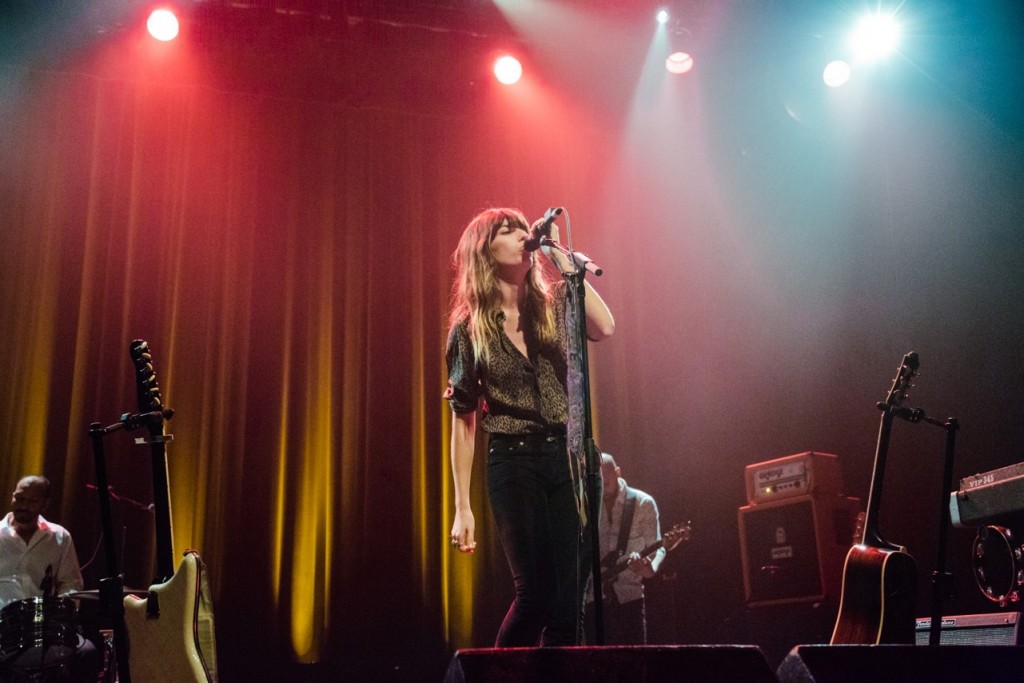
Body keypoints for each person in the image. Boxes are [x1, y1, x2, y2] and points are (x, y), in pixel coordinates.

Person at [445, 207, 615, 647]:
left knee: (569, 603)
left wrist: (562, 259)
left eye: (524, 227)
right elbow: (462, 420)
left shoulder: (557, 302)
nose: (523, 234)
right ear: (485, 251)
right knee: (536, 596)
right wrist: (462, 506)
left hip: (572, 458)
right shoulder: (468, 330)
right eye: (509, 230)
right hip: (513, 459)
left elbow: (605, 327)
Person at [0, 475, 97, 680]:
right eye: (19, 498)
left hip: (43, 626)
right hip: (4, 626)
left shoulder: (60, 537)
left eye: (32, 501)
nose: (23, 506)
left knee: (87, 653)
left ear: (45, 504)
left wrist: (59, 616)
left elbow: (71, 584)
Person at [585, 452, 665, 645]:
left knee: (634, 663)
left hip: (629, 597)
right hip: (593, 600)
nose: (602, 483)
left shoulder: (643, 503)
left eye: (606, 475)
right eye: (597, 478)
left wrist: (649, 568)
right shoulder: (587, 505)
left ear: (618, 472)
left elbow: (658, 547)